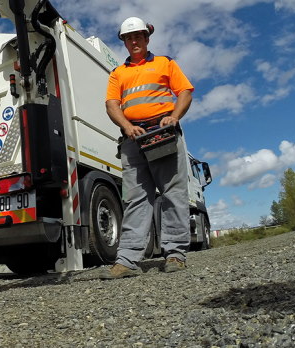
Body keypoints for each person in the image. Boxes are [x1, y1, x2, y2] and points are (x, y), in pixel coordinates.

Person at [98, 17, 194, 278]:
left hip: (162, 132)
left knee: (173, 193)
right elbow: (112, 104)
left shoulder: (165, 63)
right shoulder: (119, 73)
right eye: (129, 38)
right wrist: (127, 127)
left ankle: (175, 254)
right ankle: (127, 260)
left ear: (147, 38)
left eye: (138, 36)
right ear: (125, 43)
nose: (134, 41)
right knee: (135, 198)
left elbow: (184, 91)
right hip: (133, 138)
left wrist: (174, 116)